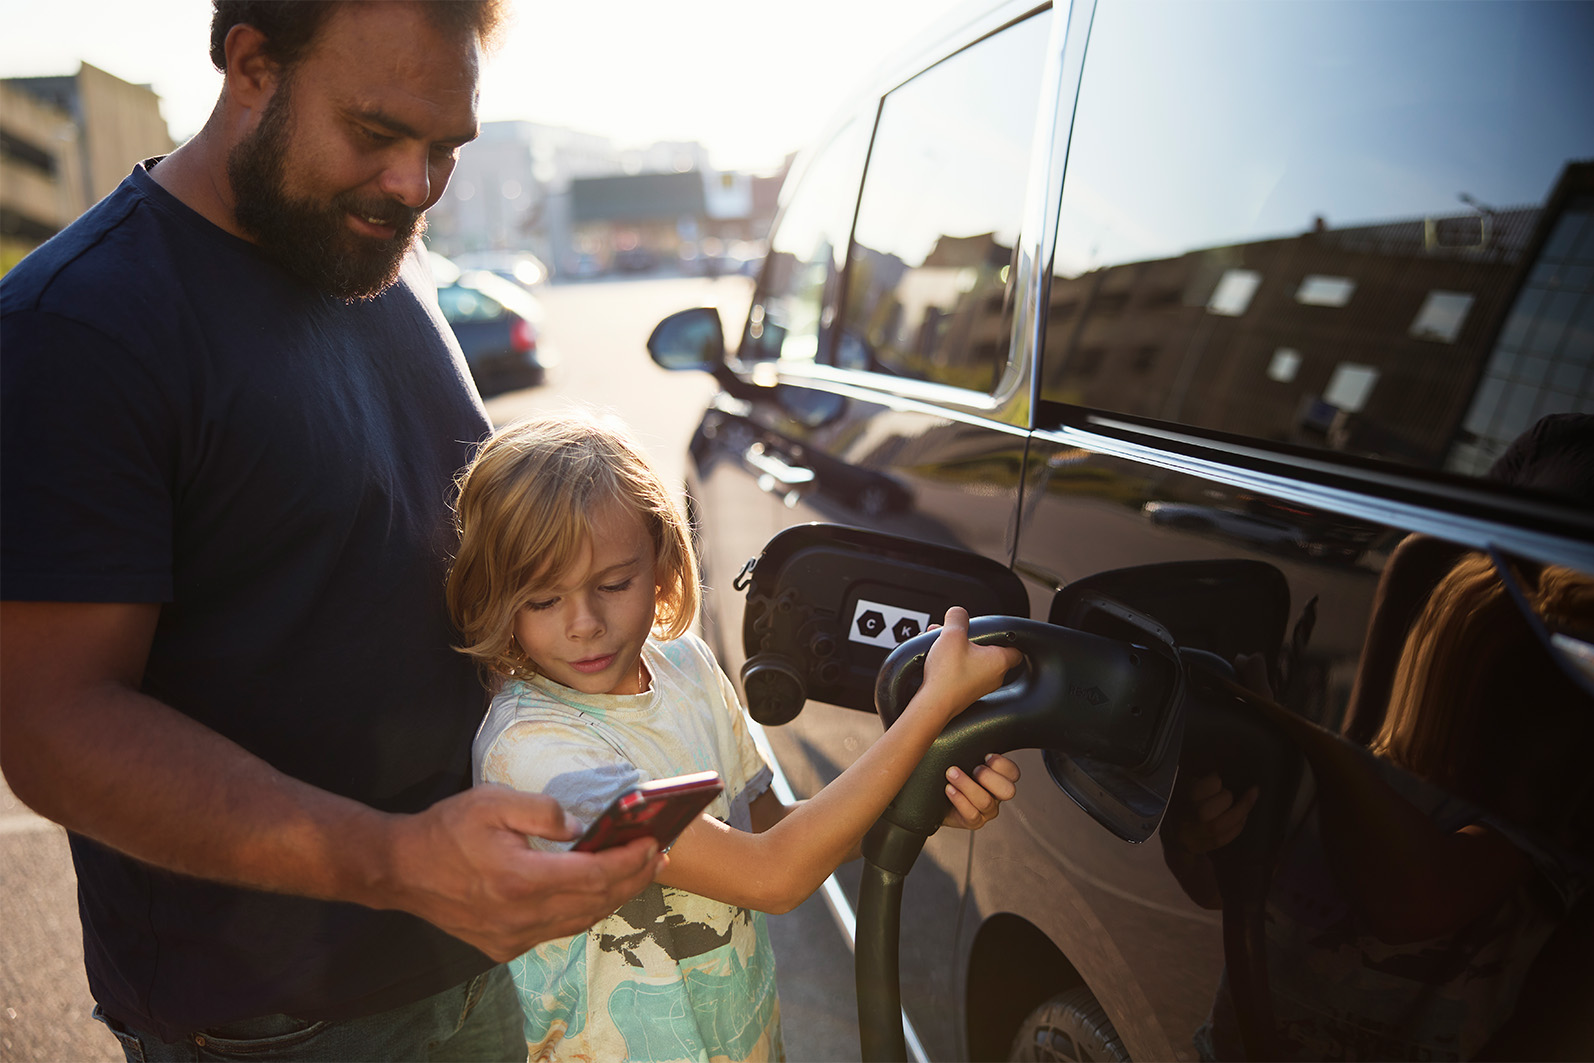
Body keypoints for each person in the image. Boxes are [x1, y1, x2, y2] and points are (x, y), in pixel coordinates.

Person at [0, 3, 660, 1060]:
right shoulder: (82, 326)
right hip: (282, 1026)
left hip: (473, 957)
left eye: (445, 148)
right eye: (376, 132)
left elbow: (446, 573)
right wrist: (395, 860)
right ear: (252, 63)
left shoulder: (375, 256)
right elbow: (50, 723)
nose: (413, 184)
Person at [447, 411, 1026, 1062]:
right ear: (497, 595)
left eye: (612, 584)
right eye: (542, 599)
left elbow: (769, 827)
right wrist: (932, 706)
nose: (583, 623)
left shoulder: (687, 668)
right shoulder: (535, 751)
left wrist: (920, 805)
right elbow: (772, 874)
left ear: (664, 562)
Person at [1164, 551, 1594, 1060]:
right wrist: (1193, 840)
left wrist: (1285, 732)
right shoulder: (1337, 783)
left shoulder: (1526, 849)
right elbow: (1221, 888)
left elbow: (1414, 903)